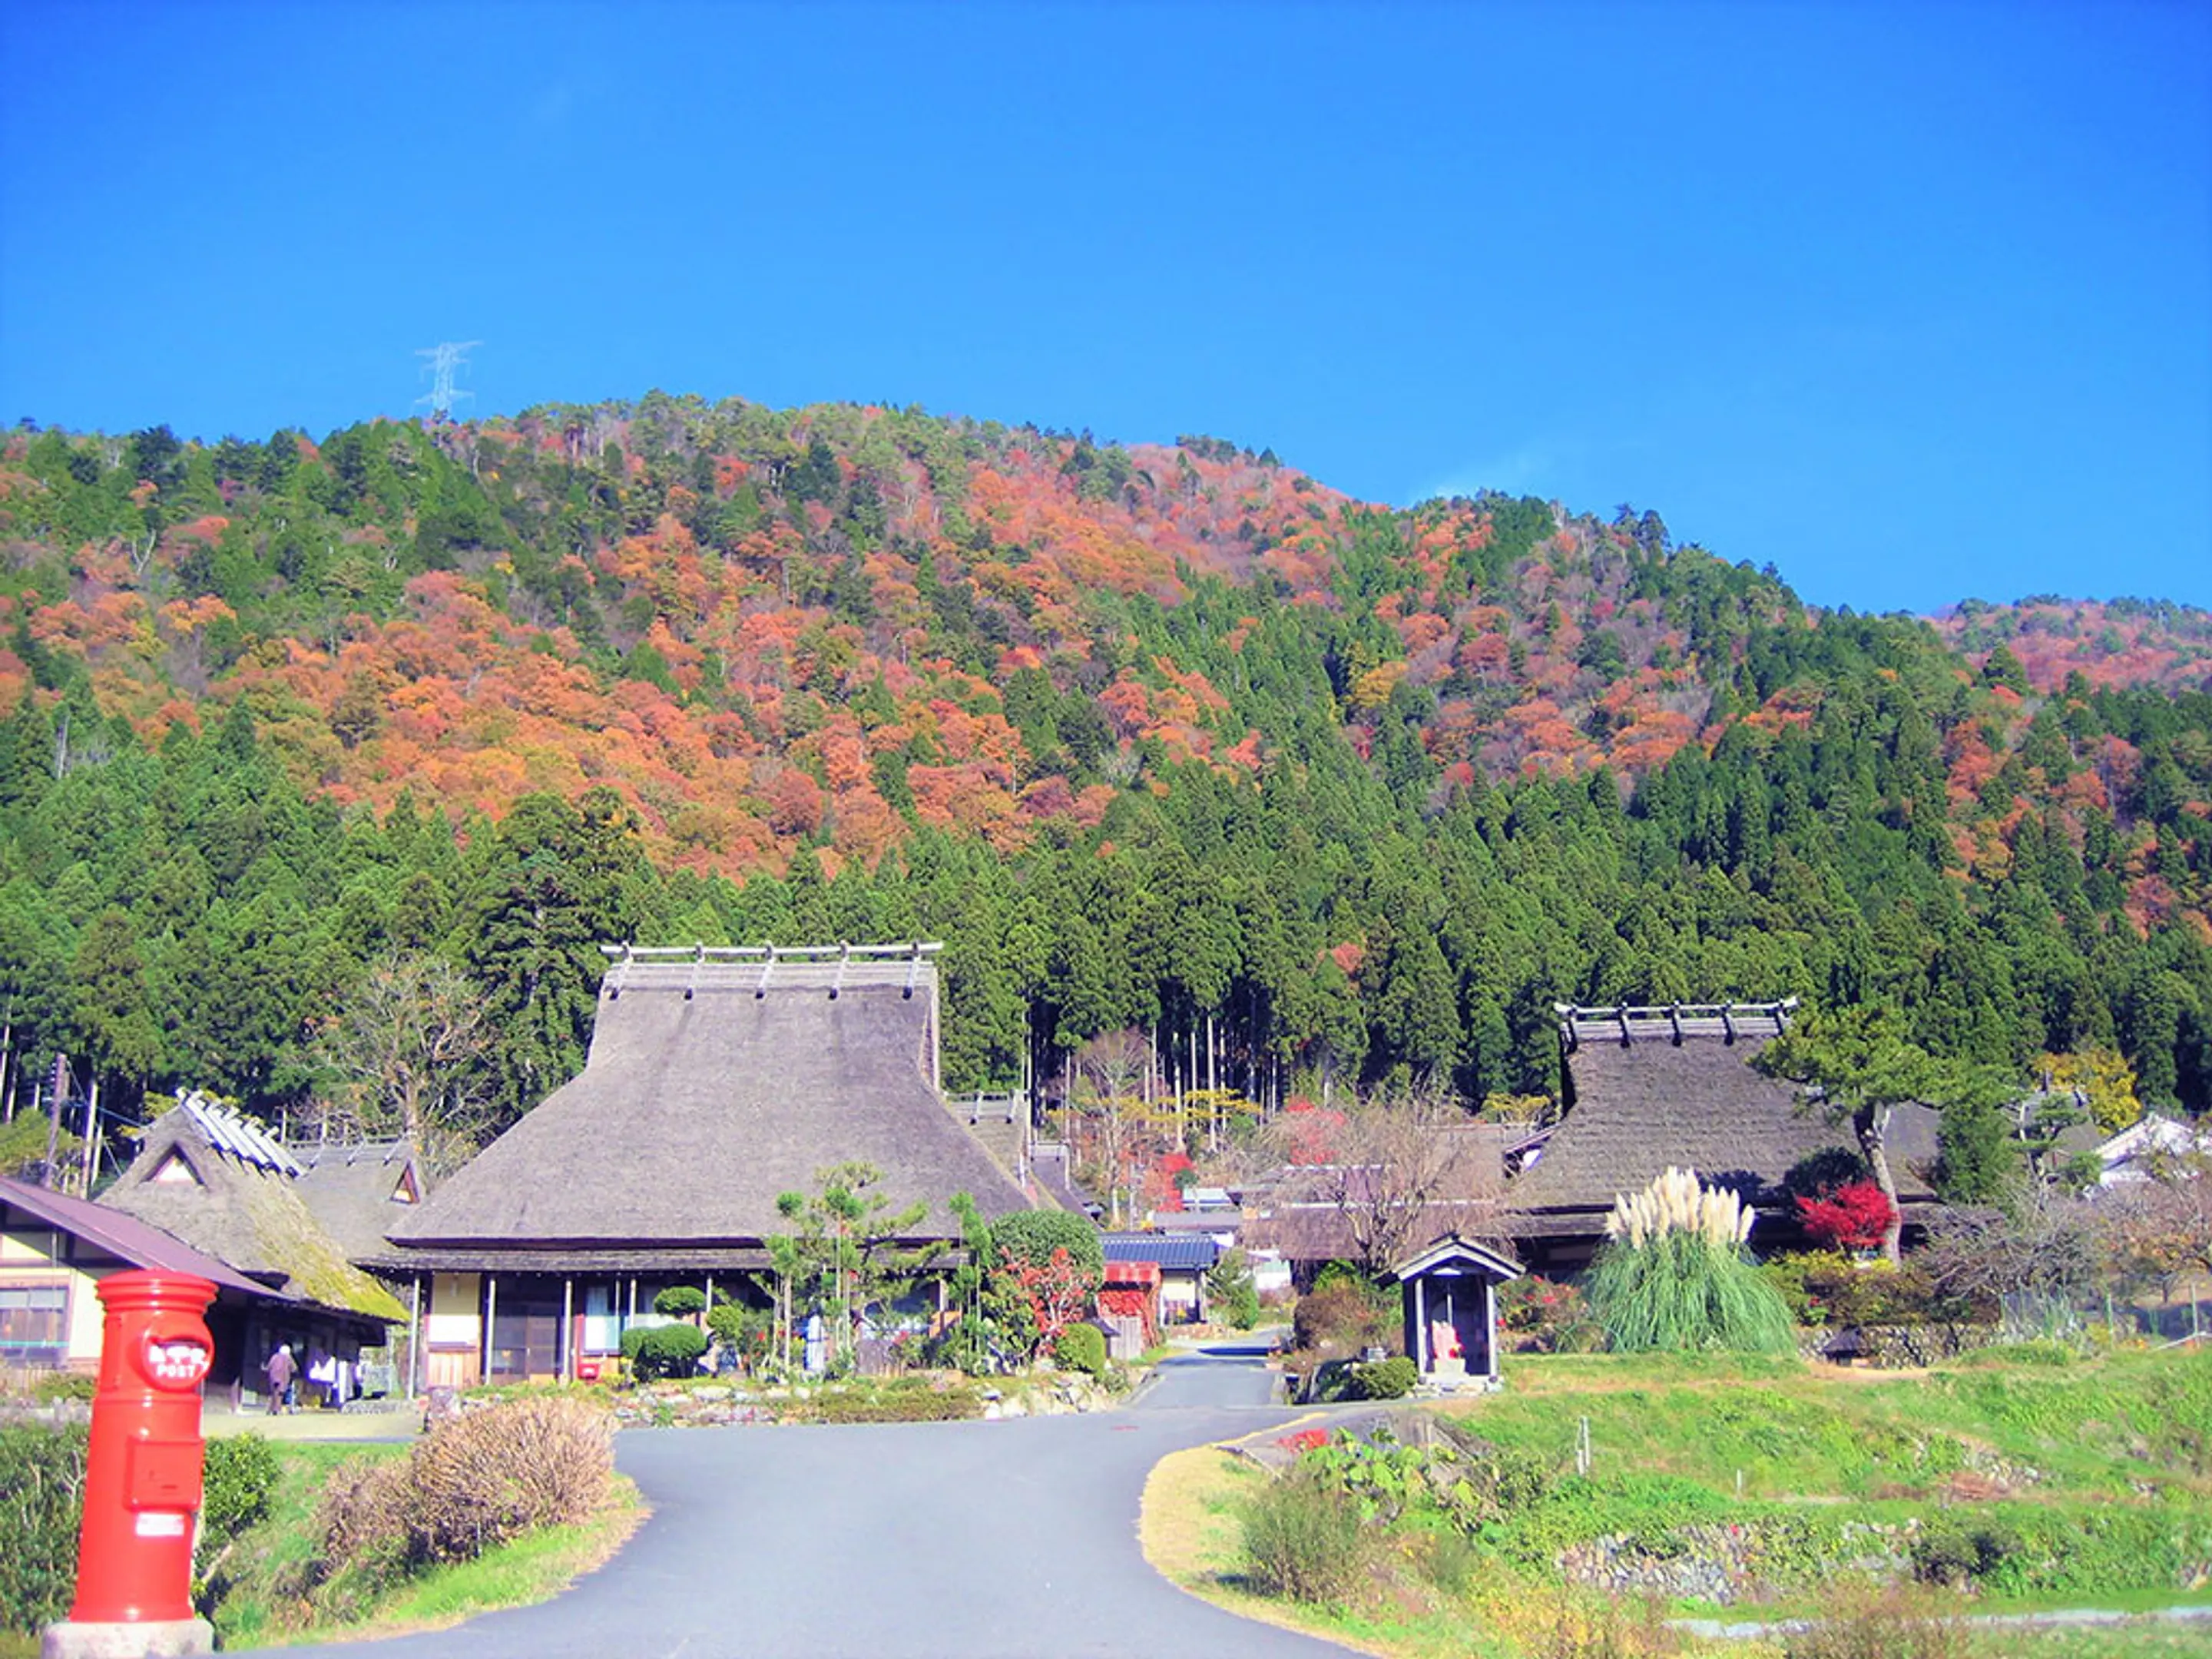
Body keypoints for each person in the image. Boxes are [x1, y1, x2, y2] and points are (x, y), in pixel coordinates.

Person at [264, 1342, 297, 1414]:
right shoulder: (288, 1358)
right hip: (283, 1378)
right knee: (280, 1394)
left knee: (273, 1393)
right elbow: (294, 1368)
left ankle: (269, 1409)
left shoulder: (275, 1356)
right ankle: (276, 1409)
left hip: (273, 1377)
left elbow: (268, 1367)